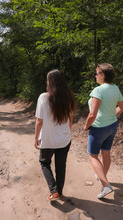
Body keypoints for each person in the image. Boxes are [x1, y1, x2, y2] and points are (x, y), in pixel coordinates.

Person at [83, 63, 123, 199]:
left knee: (92, 156)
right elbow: (122, 106)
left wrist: (86, 126)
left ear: (102, 75)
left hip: (99, 128)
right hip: (112, 126)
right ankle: (102, 175)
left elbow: (92, 114)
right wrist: (112, 116)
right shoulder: (115, 88)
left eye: (96, 73)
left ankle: (105, 185)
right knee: (106, 152)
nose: (95, 76)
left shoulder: (98, 91)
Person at [34, 69, 76, 201]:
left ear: (49, 82)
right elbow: (70, 118)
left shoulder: (43, 97)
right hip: (64, 139)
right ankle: (60, 192)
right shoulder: (68, 98)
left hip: (48, 140)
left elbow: (39, 121)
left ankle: (54, 190)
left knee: (44, 163)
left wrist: (36, 137)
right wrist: (67, 132)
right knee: (61, 166)